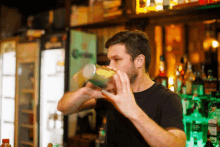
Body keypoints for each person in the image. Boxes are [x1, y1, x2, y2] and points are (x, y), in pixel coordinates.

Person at [57, 30, 187, 147]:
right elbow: (63, 108)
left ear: (139, 61)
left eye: (117, 59)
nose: (110, 66)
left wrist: (133, 111)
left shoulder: (167, 99)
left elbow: (178, 144)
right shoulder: (112, 93)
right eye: (109, 60)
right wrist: (85, 92)